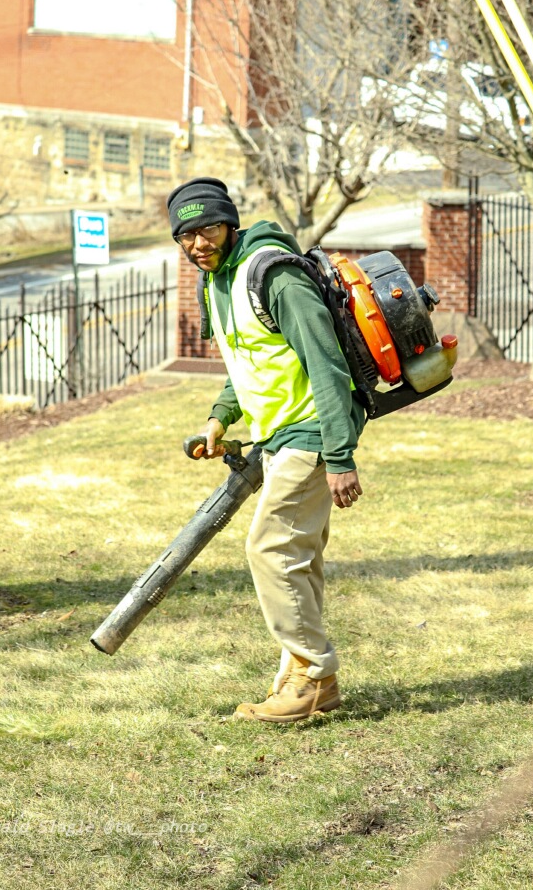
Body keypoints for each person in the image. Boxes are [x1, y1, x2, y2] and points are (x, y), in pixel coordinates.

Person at [168, 177, 366, 723]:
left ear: (229, 223)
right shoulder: (218, 281)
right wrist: (219, 418)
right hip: (279, 434)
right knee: (297, 555)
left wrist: (341, 456)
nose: (198, 243)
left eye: (207, 227)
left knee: (270, 547)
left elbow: (324, 361)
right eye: (185, 235)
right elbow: (247, 358)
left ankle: (312, 676)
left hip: (312, 429)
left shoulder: (271, 274)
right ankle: (307, 679)